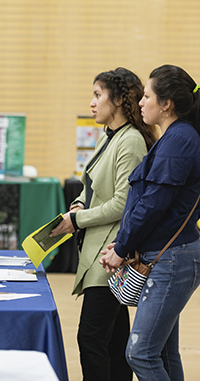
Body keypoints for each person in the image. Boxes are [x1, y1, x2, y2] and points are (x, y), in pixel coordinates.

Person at [50, 68, 158, 381]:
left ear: (120, 100)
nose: (92, 103)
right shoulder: (109, 135)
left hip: (110, 254)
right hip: (101, 249)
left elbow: (123, 204)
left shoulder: (131, 142)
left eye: (98, 95)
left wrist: (76, 219)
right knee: (114, 341)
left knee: (91, 337)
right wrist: (80, 203)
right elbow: (91, 184)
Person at [100, 65, 200, 381]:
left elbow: (154, 203)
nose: (141, 102)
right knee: (164, 355)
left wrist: (124, 246)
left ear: (166, 103)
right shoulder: (175, 137)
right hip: (167, 253)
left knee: (140, 354)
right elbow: (151, 203)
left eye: (147, 96)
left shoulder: (180, 140)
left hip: (173, 258)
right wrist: (127, 244)